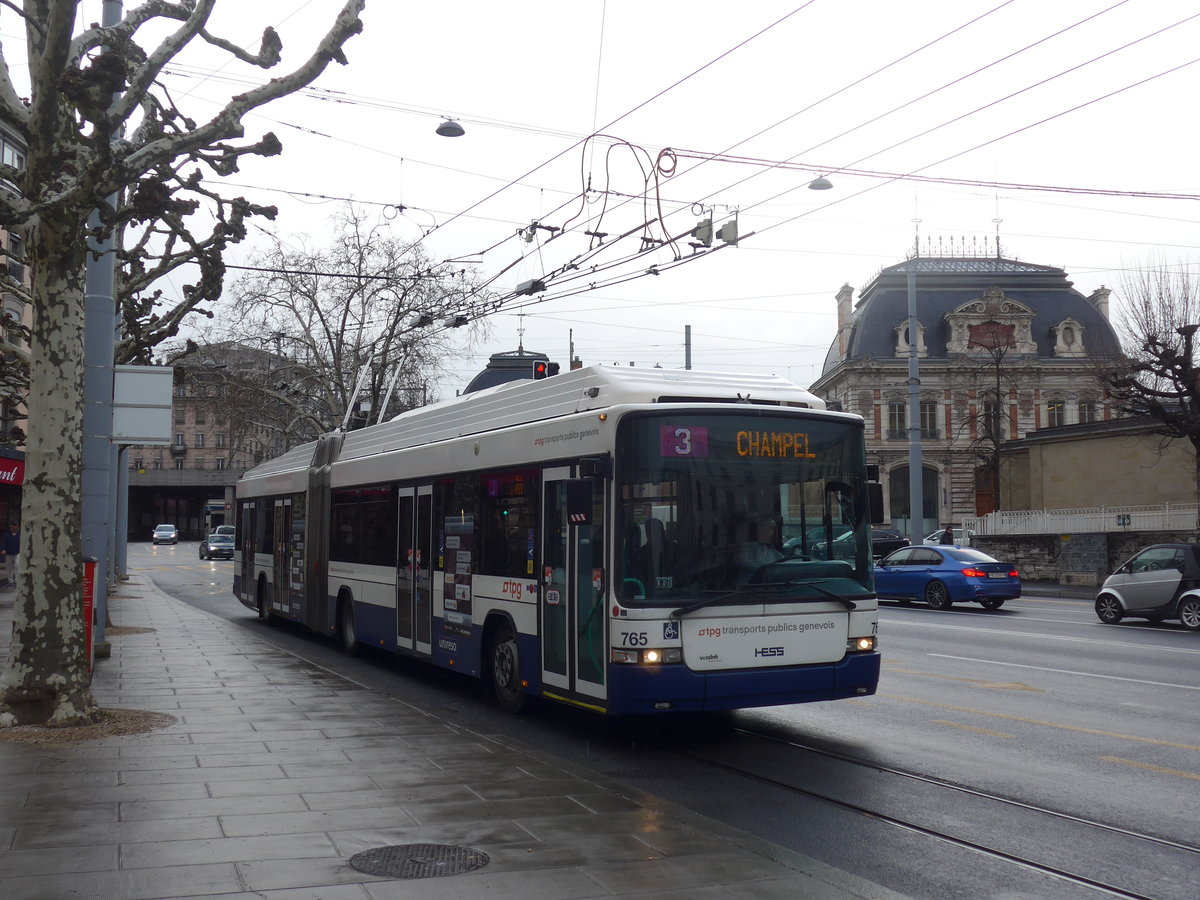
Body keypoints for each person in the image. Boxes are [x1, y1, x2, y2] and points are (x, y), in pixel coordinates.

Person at [2, 520, 19, 588]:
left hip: (18, 553)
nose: (14, 526)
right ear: (11, 526)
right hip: (9, 553)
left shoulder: (20, 534)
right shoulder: (6, 534)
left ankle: (17, 580)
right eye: (13, 525)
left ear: (17, 526)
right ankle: (11, 581)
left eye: (16, 525)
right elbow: (3, 542)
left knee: (17, 566)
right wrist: (3, 549)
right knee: (9, 568)